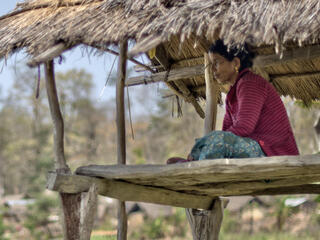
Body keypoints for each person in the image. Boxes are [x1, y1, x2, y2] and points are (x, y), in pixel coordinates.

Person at [167, 40, 299, 164]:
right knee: (217, 140)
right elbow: (227, 131)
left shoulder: (250, 83)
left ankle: (196, 167)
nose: (213, 69)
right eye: (211, 64)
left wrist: (207, 141)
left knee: (218, 140)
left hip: (274, 152)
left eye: (217, 63)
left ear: (235, 63)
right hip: (257, 148)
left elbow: (244, 127)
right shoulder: (233, 93)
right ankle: (195, 163)